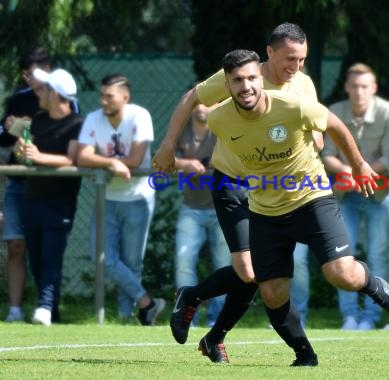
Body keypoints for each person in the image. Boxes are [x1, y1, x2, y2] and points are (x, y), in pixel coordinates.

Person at [206, 49, 389, 366]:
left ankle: (375, 287)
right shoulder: (218, 119)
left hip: (311, 199)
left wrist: (358, 165)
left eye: (250, 78)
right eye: (237, 81)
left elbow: (335, 125)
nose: (245, 86)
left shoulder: (293, 106)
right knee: (272, 293)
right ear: (227, 85)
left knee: (341, 273)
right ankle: (305, 354)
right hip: (265, 211)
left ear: (260, 79)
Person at [153, 23, 319, 363]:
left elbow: (317, 128)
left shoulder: (303, 84)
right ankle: (194, 298)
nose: (295, 66)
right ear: (270, 53)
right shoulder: (245, 76)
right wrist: (168, 145)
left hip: (273, 189)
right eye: (290, 58)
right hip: (232, 182)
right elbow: (191, 98)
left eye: (301, 59)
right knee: (249, 271)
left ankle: (212, 333)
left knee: (255, 272)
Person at [76, 74, 165, 325]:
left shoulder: (140, 116)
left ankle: (127, 317)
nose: (103, 101)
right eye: (101, 95)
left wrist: (106, 164)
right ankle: (147, 302)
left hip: (138, 197)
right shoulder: (94, 119)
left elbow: (136, 159)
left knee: (132, 262)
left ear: (125, 97)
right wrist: (111, 163)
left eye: (109, 96)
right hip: (108, 198)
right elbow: (83, 156)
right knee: (101, 257)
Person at [323, 63, 389, 331]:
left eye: (364, 86)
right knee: (345, 256)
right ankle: (350, 317)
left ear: (374, 88)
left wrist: (360, 173)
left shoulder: (387, 112)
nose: (359, 92)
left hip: (378, 194)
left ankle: (371, 318)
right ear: (346, 87)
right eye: (354, 86)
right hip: (344, 195)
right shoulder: (335, 112)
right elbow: (327, 155)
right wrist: (351, 172)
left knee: (377, 255)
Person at [14, 68, 83, 326]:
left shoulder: (78, 123)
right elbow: (27, 157)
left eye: (44, 89)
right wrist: (23, 152)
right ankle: (51, 311)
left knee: (51, 258)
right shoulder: (40, 118)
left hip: (60, 203)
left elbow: (71, 158)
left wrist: (39, 157)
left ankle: (43, 306)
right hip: (32, 198)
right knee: (37, 260)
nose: (39, 94)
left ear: (55, 94)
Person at [0, 47, 51, 322]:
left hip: (49, 186)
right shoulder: (18, 99)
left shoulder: (62, 100)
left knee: (45, 250)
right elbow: (3, 137)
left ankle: (48, 307)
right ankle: (15, 310)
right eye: (25, 74)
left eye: (35, 74)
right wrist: (7, 128)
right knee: (15, 246)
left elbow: (72, 134)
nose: (30, 79)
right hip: (18, 183)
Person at [174, 104, 231, 327]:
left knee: (224, 265)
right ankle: (187, 317)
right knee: (184, 261)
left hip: (222, 209)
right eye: (196, 102)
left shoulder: (224, 130)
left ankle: (216, 319)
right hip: (191, 208)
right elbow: (162, 160)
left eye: (207, 102)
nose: (201, 107)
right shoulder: (181, 133)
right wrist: (184, 163)